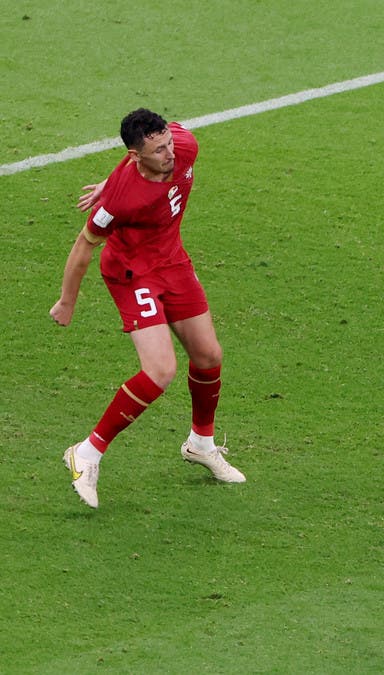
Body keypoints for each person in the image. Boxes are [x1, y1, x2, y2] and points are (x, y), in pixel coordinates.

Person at [51, 108, 245, 509]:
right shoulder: (120, 200)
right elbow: (84, 246)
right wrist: (67, 301)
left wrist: (110, 176)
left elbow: (161, 144)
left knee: (209, 355)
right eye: (158, 151)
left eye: (168, 143)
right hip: (132, 272)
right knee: (160, 370)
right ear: (136, 155)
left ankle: (201, 444)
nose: (170, 154)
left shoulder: (184, 145)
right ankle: (86, 453)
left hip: (171, 260)